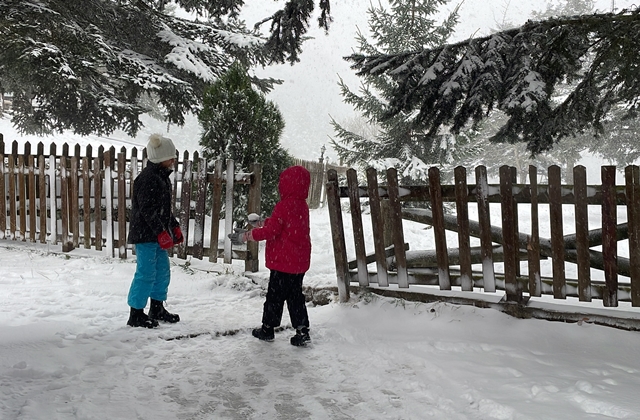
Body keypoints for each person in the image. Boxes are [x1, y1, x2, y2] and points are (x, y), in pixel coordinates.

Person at [229, 165, 312, 346]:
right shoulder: (302, 206)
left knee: (274, 297)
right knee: (295, 297)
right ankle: (302, 330)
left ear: (286, 185)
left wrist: (246, 236)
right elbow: (284, 225)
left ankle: (267, 329)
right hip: (298, 264)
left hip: (283, 263)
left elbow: (272, 231)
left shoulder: (283, 206)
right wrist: (261, 222)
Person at [126, 133, 183, 328]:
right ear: (160, 158)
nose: (174, 159)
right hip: (145, 235)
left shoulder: (162, 177)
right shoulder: (147, 179)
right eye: (171, 156)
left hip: (158, 235)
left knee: (162, 272)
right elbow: (147, 210)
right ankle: (136, 313)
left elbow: (164, 209)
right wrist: (160, 232)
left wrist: (173, 225)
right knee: (146, 272)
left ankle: (157, 307)